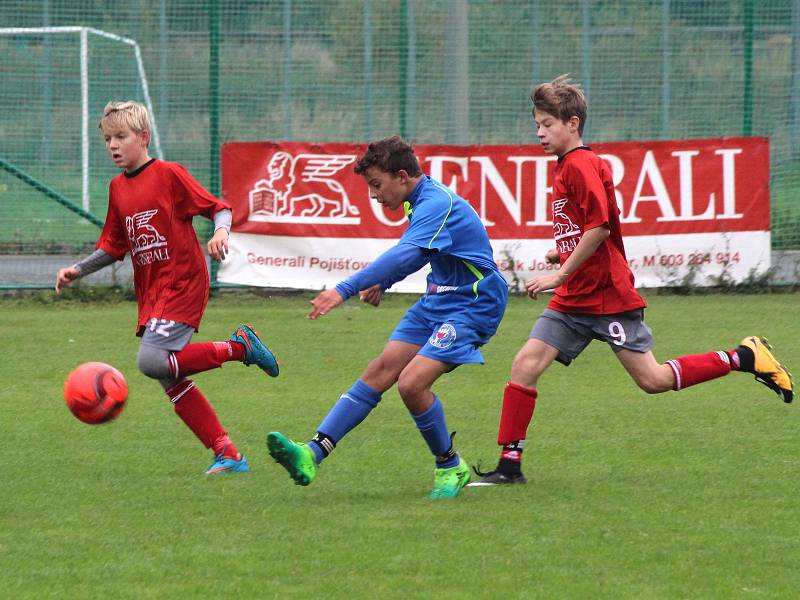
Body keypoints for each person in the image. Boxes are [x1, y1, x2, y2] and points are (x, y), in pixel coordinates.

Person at [470, 75, 795, 486]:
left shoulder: (581, 165)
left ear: (572, 124)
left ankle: (742, 358)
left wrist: (560, 271)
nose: (540, 132)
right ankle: (509, 466)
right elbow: (585, 228)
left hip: (607, 298)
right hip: (574, 299)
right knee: (525, 364)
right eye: (537, 124)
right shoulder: (569, 165)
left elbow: (600, 227)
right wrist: (563, 252)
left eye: (547, 124)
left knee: (653, 380)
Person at [266, 136, 509, 499]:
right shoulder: (418, 201)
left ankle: (450, 466)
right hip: (439, 298)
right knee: (380, 370)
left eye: (377, 185)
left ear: (402, 176)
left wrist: (343, 289)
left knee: (411, 384)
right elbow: (418, 256)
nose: (375, 195)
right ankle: (311, 454)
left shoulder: (437, 203)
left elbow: (404, 253)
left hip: (474, 303)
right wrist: (385, 282)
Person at [55, 100, 280, 475]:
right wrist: (79, 269)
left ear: (143, 137)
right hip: (153, 292)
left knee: (151, 361)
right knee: (167, 374)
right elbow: (113, 245)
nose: (113, 145)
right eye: (108, 139)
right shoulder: (117, 188)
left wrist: (221, 232)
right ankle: (228, 453)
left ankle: (239, 347)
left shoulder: (168, 175)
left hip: (183, 282)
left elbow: (219, 208)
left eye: (121, 137)